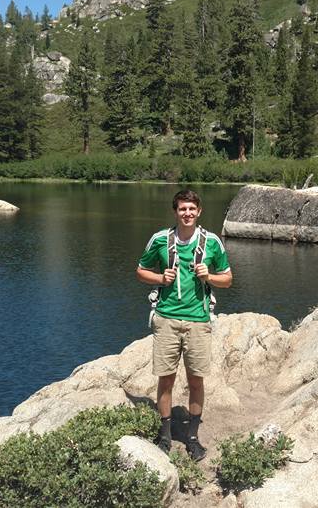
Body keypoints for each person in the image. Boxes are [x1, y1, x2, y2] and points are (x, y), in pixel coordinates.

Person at [136, 190, 232, 461]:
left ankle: (192, 437)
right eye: (182, 209)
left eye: (191, 209)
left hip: (198, 321)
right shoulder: (160, 240)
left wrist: (209, 275)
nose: (187, 213)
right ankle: (165, 435)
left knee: (196, 380)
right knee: (165, 378)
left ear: (199, 211)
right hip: (166, 318)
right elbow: (140, 271)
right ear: (175, 211)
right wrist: (160, 277)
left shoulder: (211, 242)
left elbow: (227, 279)